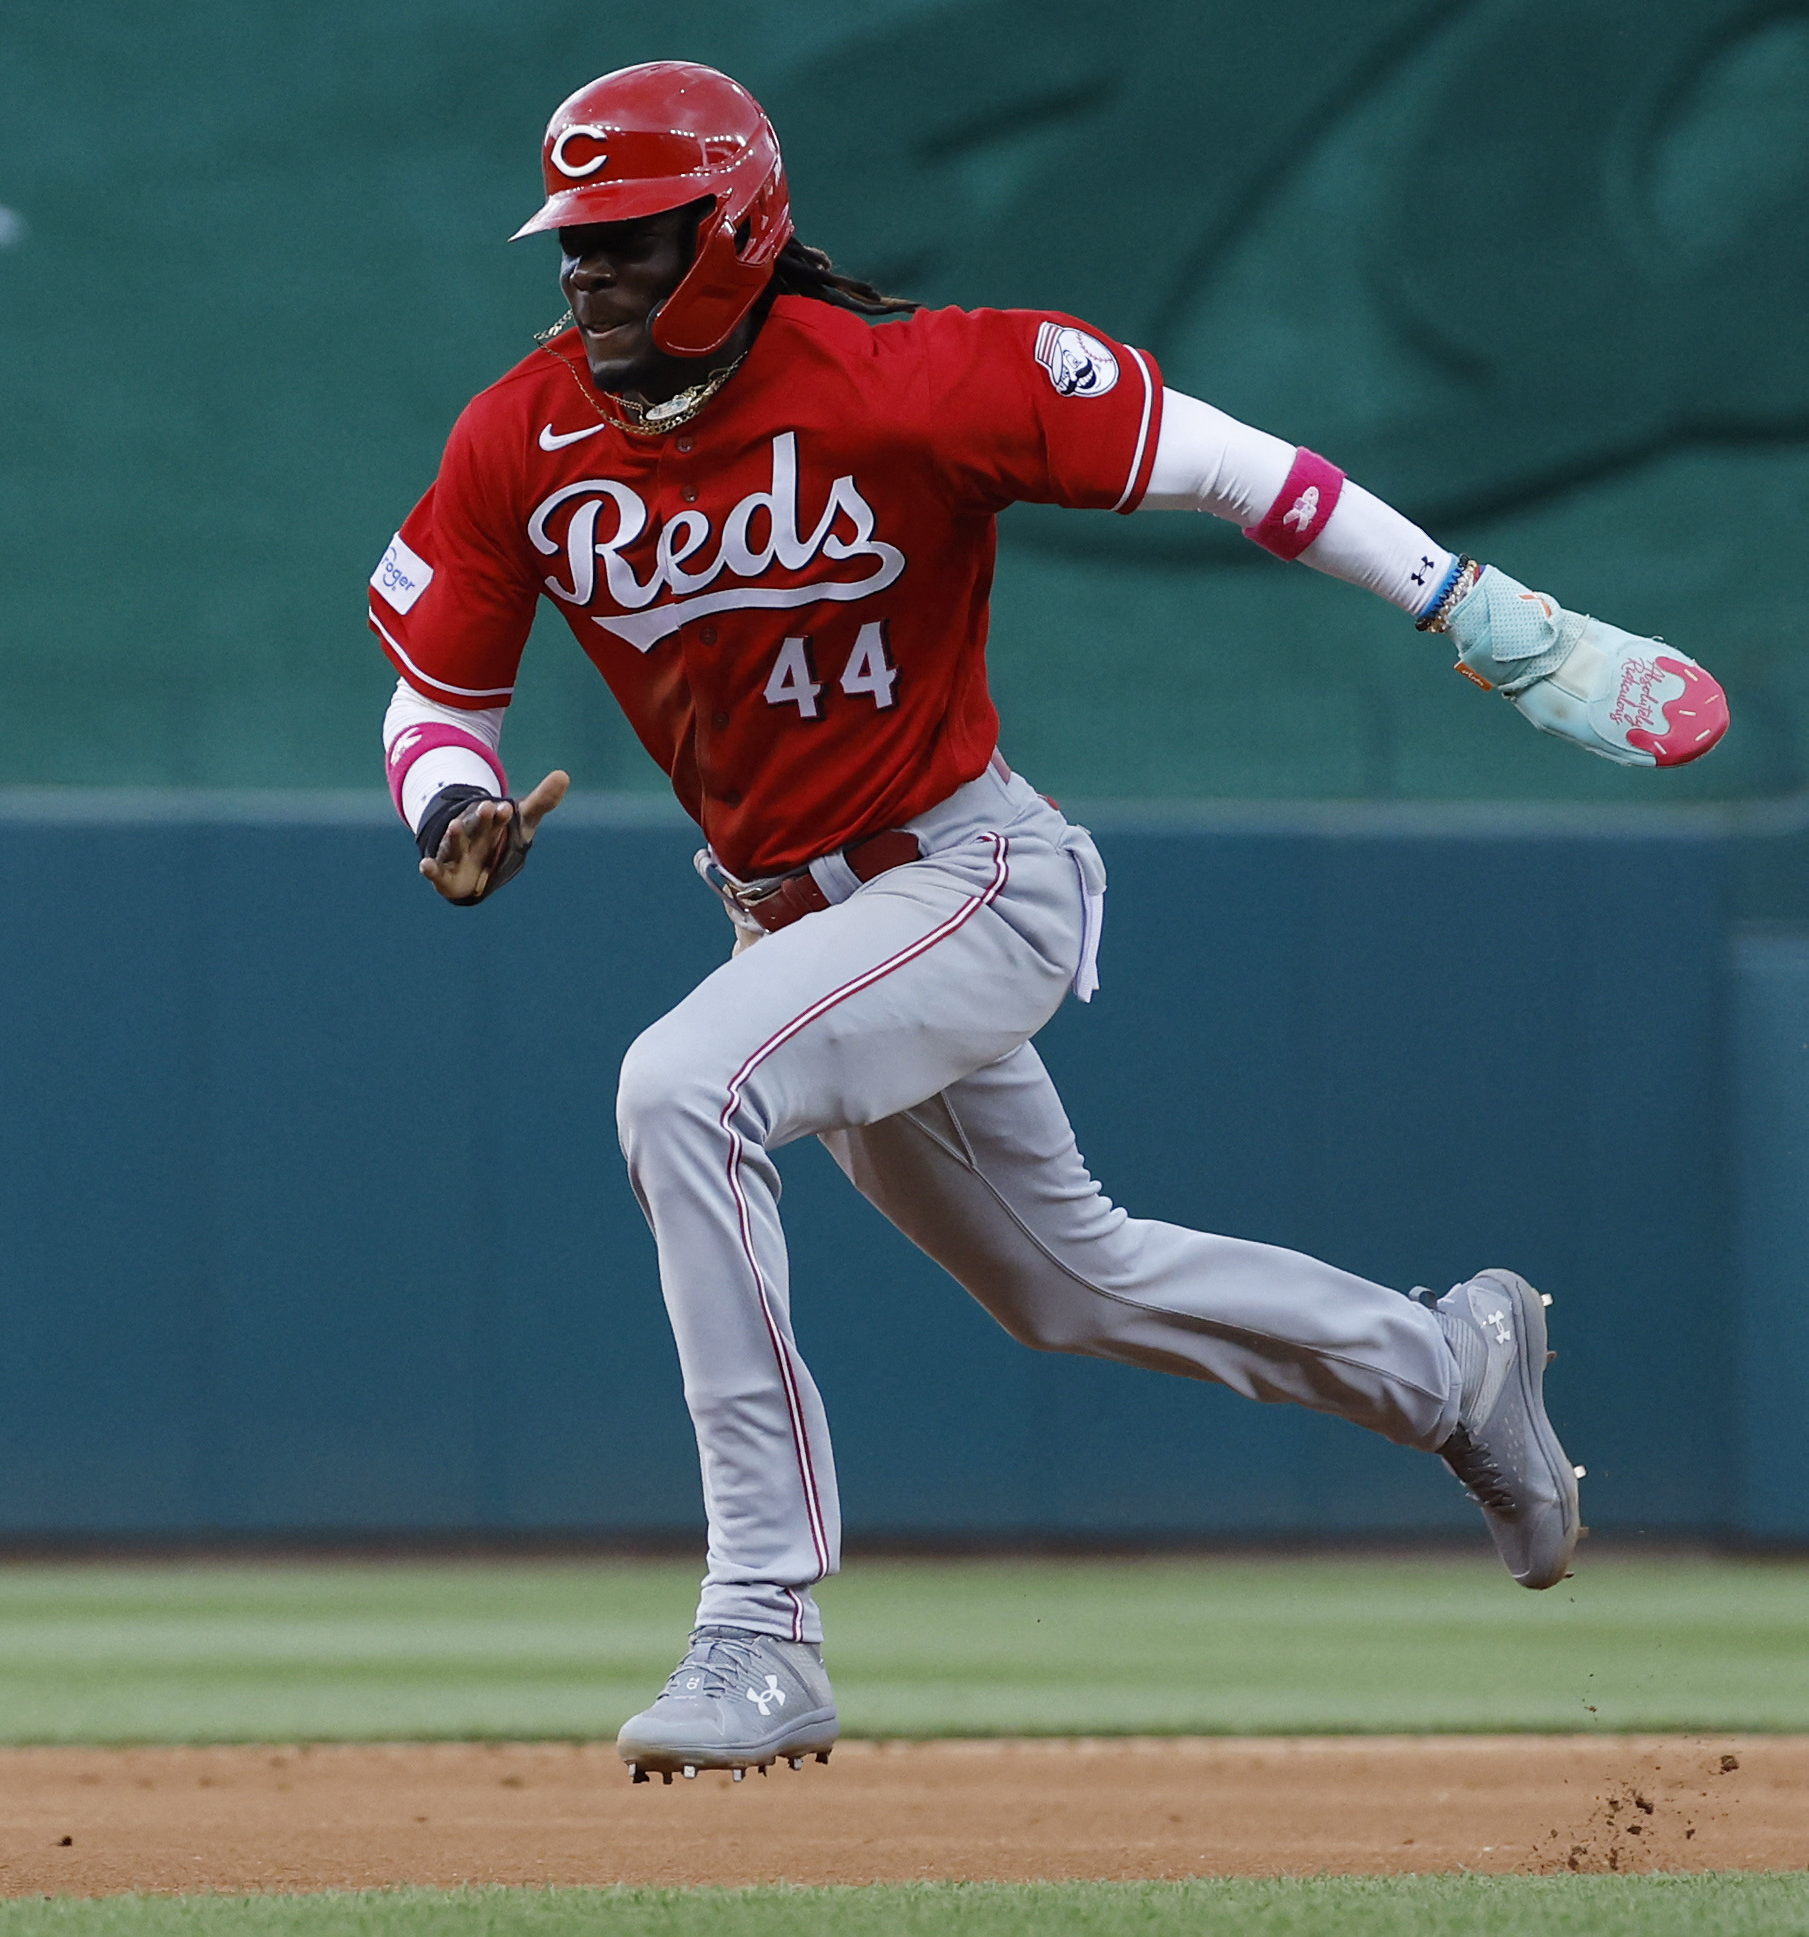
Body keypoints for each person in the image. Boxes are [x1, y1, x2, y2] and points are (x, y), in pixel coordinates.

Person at [365, 61, 1730, 1784]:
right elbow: (434, 688)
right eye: (572, 246)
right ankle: (1450, 1368)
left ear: (732, 229)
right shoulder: (522, 433)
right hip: (793, 930)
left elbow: (1243, 470)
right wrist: (442, 804)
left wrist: (1481, 610)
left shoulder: (913, 377)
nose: (586, 275)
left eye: (627, 241)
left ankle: (760, 1621)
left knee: (676, 1089)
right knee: (1068, 1282)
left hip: (964, 877)